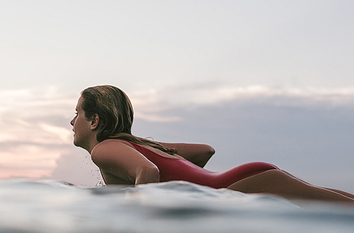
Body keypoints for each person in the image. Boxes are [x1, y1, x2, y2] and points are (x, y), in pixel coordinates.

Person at [70, 85, 354, 202]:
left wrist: (145, 226)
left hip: (239, 184)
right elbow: (205, 151)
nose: (72, 122)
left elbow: (149, 173)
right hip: (248, 177)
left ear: (94, 120)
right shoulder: (134, 146)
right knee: (336, 203)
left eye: (76, 114)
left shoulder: (104, 148)